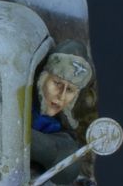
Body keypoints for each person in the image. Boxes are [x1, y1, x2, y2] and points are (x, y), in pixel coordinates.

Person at [30, 40, 95, 178]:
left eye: (70, 90)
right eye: (57, 83)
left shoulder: (59, 126)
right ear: (43, 79)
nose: (62, 96)